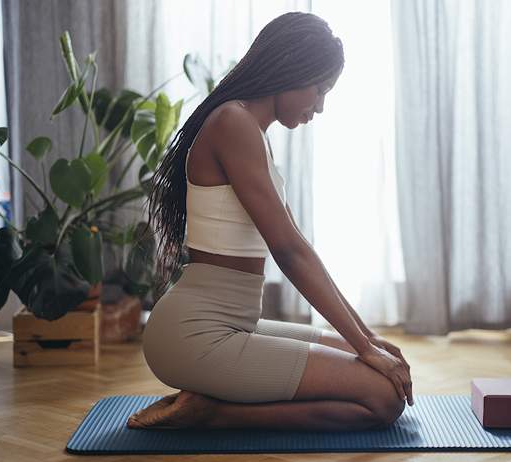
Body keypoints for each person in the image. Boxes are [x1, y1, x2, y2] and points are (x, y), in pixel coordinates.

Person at [129, 11, 413, 432]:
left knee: (383, 359)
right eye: (318, 90)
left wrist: (368, 340)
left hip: (234, 326)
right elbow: (288, 252)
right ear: (289, 70)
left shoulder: (252, 132)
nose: (319, 106)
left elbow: (298, 243)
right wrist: (364, 347)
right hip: (195, 336)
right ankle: (213, 412)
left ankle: (209, 404)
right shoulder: (233, 123)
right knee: (383, 398)